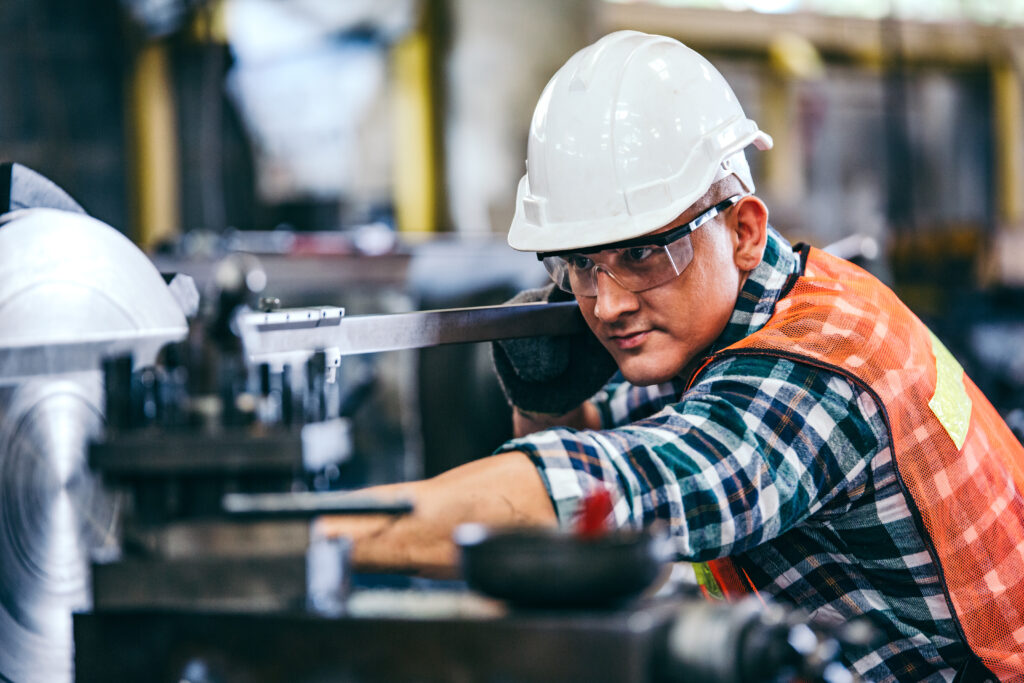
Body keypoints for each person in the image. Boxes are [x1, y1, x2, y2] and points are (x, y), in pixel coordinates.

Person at [320, 30, 1024, 682]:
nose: (608, 303)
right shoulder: (756, 304)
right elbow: (599, 437)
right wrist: (548, 391)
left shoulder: (811, 375)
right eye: (580, 265)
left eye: (642, 253)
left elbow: (598, 489)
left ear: (744, 230)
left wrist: (303, 534)